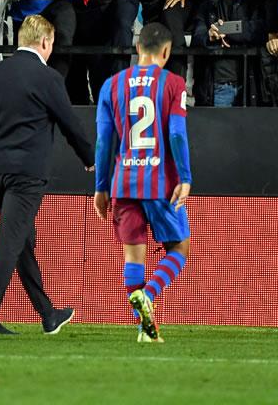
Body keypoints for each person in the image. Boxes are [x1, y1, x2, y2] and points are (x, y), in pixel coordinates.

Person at [0, 15, 95, 335]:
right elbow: (69, 122)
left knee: (22, 240)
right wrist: (89, 158)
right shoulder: (48, 78)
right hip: (27, 173)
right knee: (11, 240)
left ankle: (47, 313)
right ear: (45, 42)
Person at [94, 23, 192, 343]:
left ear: (138, 49)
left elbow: (103, 142)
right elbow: (176, 133)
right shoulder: (173, 83)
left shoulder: (111, 85)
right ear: (166, 52)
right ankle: (149, 294)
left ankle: (145, 330)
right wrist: (186, 177)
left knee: (133, 258)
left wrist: (100, 186)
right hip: (160, 182)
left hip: (123, 183)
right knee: (179, 247)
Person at [190, 0, 264, 107]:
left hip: (249, 84)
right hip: (217, 85)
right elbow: (197, 35)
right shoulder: (208, 3)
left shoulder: (253, 0)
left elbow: (259, 31)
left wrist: (226, 30)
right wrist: (210, 34)